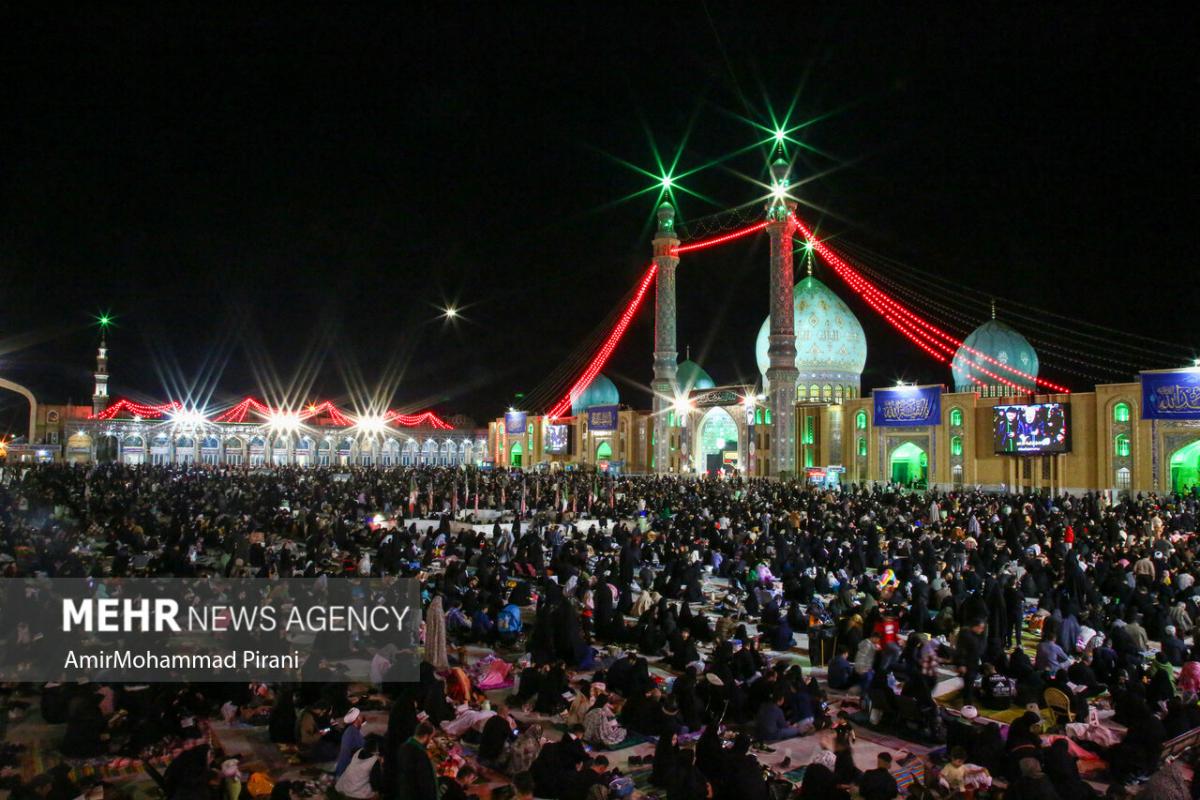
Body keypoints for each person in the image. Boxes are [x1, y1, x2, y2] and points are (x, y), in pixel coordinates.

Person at [394, 721, 439, 800]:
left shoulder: (403, 747)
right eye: (431, 738)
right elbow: (424, 782)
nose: (430, 741)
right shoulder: (420, 754)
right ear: (426, 736)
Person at [334, 707, 367, 777]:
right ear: (356, 719)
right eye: (360, 716)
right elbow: (362, 748)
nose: (362, 717)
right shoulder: (353, 732)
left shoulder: (351, 730)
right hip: (346, 770)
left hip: (345, 768)